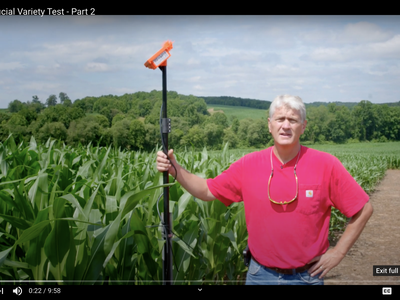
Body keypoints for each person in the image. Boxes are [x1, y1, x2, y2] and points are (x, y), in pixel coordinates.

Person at [156, 94, 373, 285]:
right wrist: (176, 170)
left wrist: (338, 252)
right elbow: (206, 190)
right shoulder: (248, 165)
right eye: (280, 119)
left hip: (307, 277)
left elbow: (363, 209)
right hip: (260, 275)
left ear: (303, 126)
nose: (285, 125)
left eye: (293, 120)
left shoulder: (326, 165)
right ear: (270, 125)